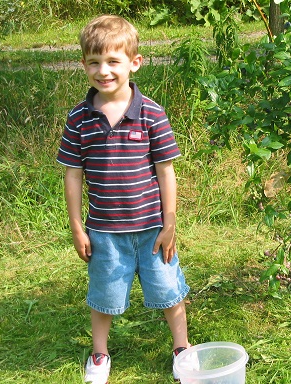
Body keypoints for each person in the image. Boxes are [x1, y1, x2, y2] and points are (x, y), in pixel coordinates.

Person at [57, 14, 192, 383]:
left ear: (134, 63)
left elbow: (166, 170)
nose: (104, 71)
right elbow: (73, 173)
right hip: (103, 231)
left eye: (113, 61)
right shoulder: (79, 119)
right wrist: (76, 226)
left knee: (170, 290)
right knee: (104, 295)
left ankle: (182, 349)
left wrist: (170, 224)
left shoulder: (151, 113)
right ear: (83, 64)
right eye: (94, 62)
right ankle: (99, 355)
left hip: (152, 230)